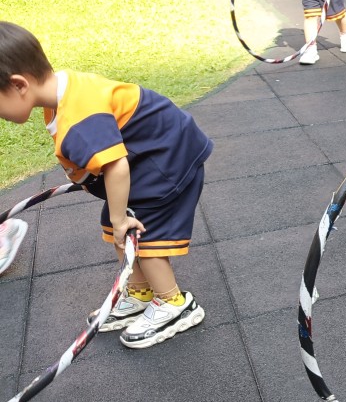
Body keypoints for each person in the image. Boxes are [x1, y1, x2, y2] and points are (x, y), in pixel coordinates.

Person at [0, 22, 211, 349]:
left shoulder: (79, 116)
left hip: (167, 160)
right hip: (151, 156)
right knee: (116, 226)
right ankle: (140, 292)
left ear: (19, 84)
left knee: (141, 232)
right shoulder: (61, 93)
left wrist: (120, 217)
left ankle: (174, 304)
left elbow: (116, 165)